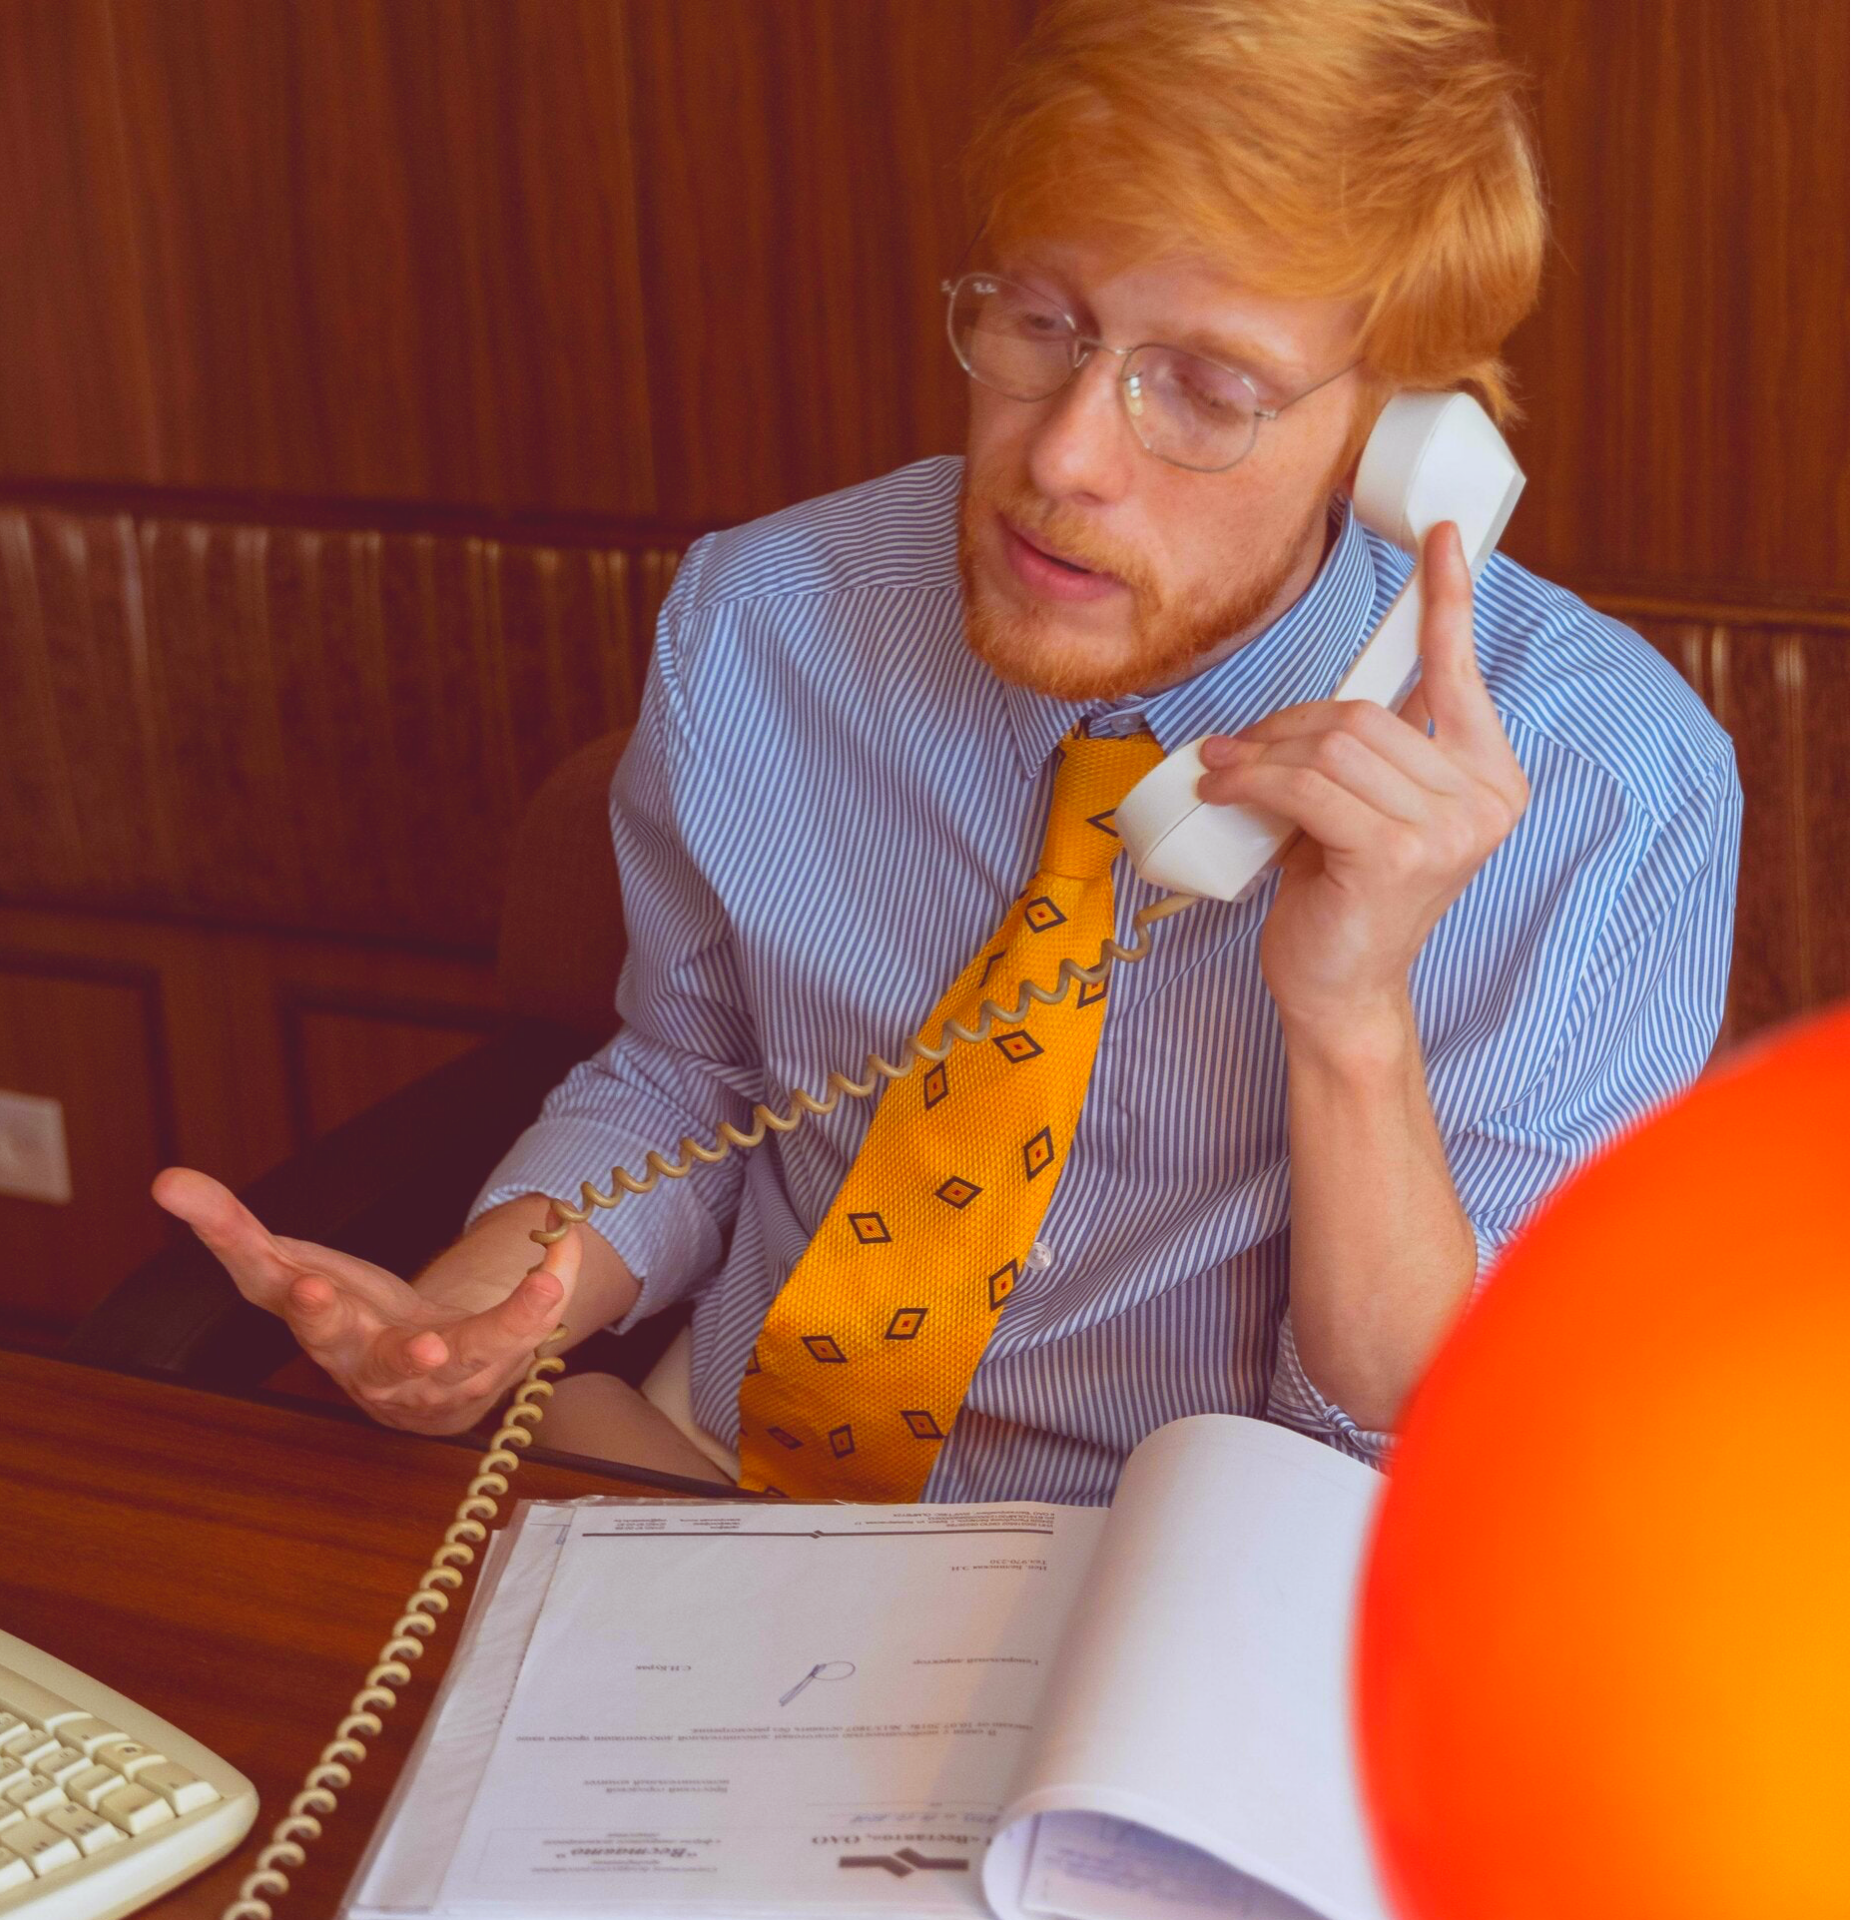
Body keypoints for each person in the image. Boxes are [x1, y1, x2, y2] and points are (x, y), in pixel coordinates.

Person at [155, 0, 1740, 1503]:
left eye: (1205, 390)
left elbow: (1428, 1431)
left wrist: (1349, 1019)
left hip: (1167, 1566)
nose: (1064, 455)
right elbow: (693, 1079)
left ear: (1396, 441)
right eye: (1044, 323)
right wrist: (476, 1317)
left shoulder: (1609, 787)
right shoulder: (767, 617)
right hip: (720, 1477)